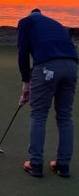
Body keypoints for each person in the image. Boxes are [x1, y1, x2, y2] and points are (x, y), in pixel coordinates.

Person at [17, 9, 78, 178]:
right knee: (65, 116)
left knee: (38, 114)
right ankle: (63, 165)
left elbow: (22, 52)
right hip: (72, 66)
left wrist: (26, 83)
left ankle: (35, 164)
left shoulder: (25, 22)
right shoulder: (56, 24)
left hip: (47, 66)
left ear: (30, 14)